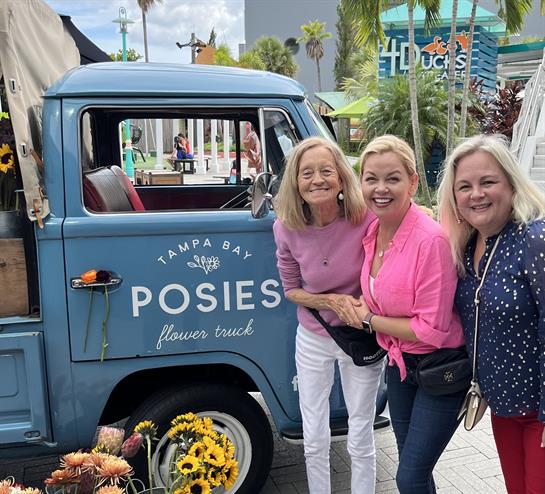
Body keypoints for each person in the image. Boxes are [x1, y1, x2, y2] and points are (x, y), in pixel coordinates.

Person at [348, 135, 466, 494]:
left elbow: (431, 328)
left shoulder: (429, 241)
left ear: (413, 182)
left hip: (440, 369)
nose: (380, 188)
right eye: (371, 178)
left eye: (393, 178)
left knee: (409, 476)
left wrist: (368, 320)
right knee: (413, 467)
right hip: (400, 367)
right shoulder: (371, 230)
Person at [273, 137, 383, 494]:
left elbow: (386, 266)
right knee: (315, 433)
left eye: (326, 170)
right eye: (307, 173)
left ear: (340, 177)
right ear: (295, 181)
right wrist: (333, 301)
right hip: (314, 337)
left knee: (361, 431)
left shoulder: (364, 217)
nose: (317, 179)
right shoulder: (286, 226)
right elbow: (291, 289)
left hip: (361, 334)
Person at [437, 134, 545, 493]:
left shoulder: (534, 238)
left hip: (539, 414)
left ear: (512, 184)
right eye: (464, 186)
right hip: (502, 408)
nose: (476, 194)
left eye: (488, 182)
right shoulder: (466, 245)